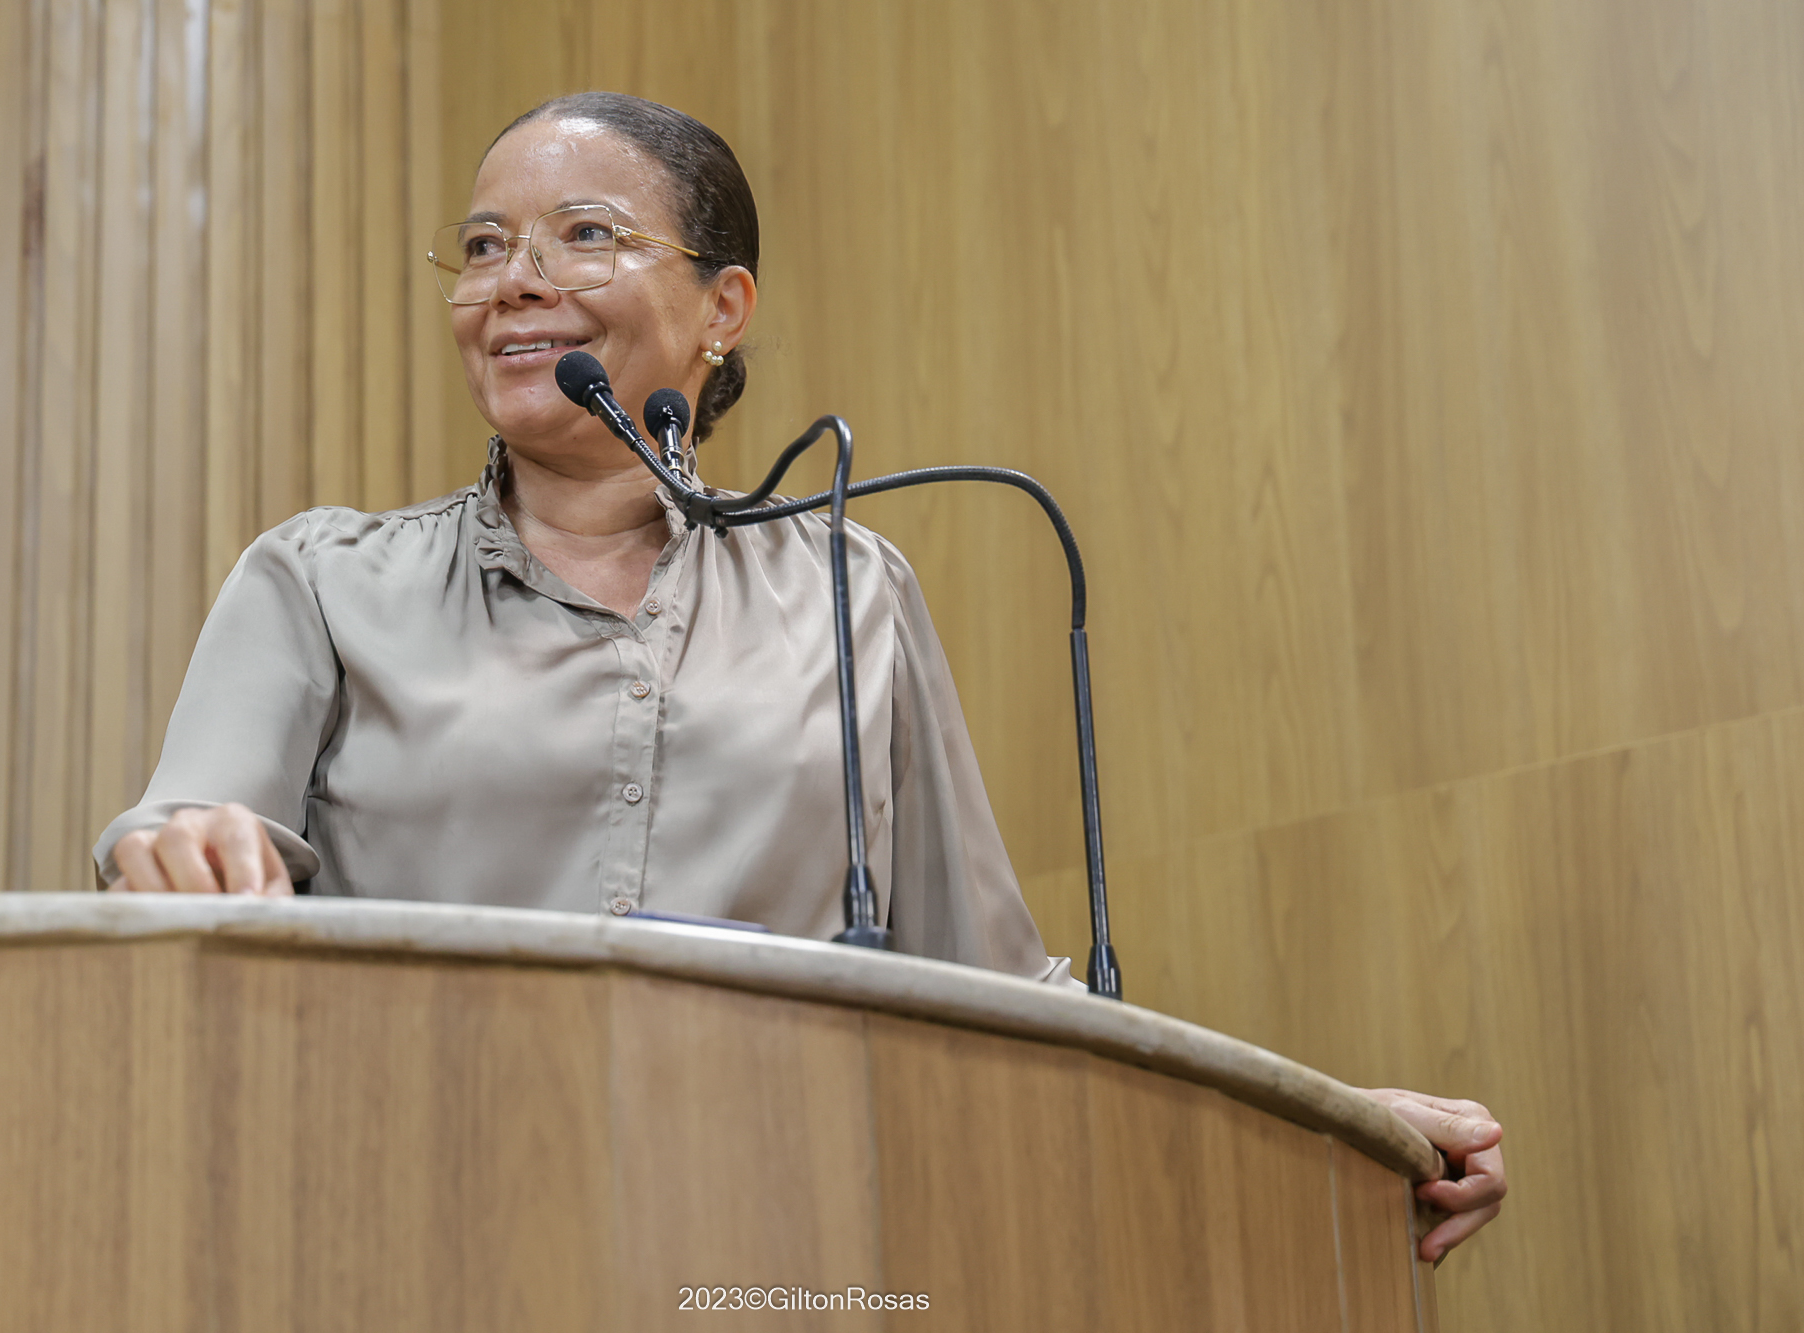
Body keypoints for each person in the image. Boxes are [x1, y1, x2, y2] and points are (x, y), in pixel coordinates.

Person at [92, 92, 1503, 1261]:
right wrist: (181, 850)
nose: (513, 281)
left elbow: (996, 987)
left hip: (773, 1253)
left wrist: (1323, 1118)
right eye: (481, 246)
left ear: (724, 307)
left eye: (583, 234)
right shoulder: (322, 580)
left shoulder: (852, 590)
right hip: (404, 1235)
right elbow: (182, 838)